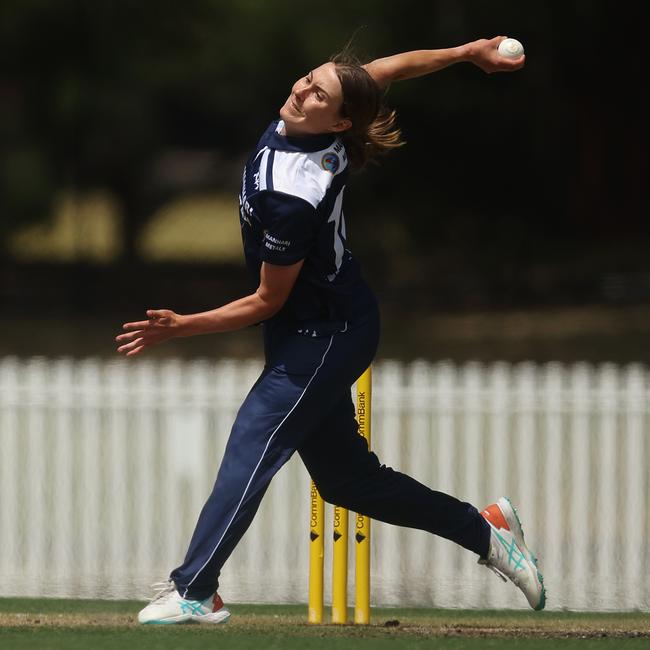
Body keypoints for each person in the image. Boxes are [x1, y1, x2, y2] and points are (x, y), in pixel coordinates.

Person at [116, 36, 545, 624]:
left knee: (254, 439)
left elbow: (268, 299)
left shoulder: (298, 192)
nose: (300, 90)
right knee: (350, 483)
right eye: (306, 78)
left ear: (340, 119)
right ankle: (486, 530)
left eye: (317, 92)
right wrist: (470, 51)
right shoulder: (316, 117)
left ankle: (196, 588)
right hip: (313, 327)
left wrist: (183, 327)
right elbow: (389, 69)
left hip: (327, 332)